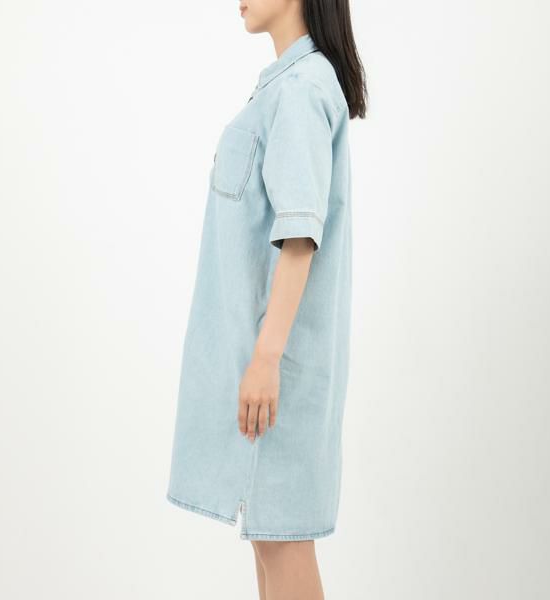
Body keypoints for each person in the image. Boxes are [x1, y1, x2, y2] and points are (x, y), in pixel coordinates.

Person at [167, 1, 367, 597]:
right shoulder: (285, 84)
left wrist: (266, 358)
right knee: (271, 546)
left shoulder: (303, 89)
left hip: (278, 374)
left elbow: (300, 237)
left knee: (282, 545)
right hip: (266, 370)